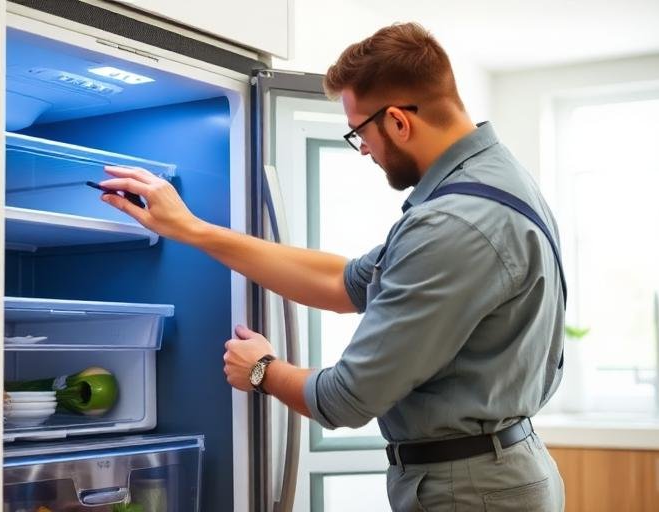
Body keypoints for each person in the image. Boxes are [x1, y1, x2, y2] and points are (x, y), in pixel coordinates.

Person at [99, 21, 565, 512]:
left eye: (360, 131)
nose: (363, 148)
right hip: (494, 472)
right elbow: (344, 282)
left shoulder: (451, 225)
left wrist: (261, 369)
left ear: (400, 122)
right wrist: (192, 229)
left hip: (471, 491)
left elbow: (345, 398)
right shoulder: (492, 180)